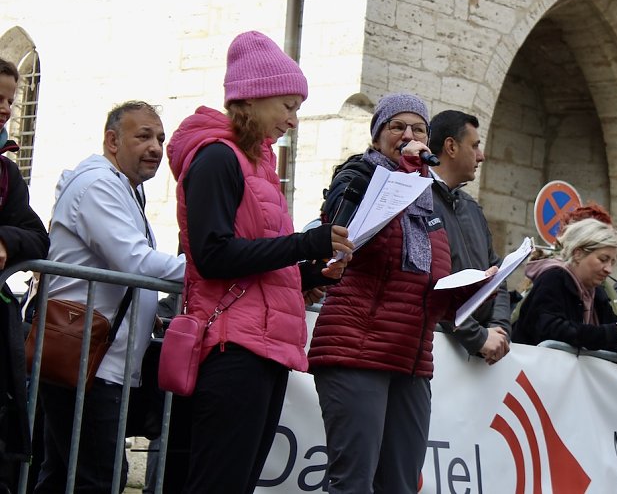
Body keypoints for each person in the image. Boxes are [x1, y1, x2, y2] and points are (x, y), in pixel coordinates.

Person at [166, 30, 352, 493]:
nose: (293, 119)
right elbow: (212, 255)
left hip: (261, 346)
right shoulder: (216, 158)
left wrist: (310, 273)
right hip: (233, 348)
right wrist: (304, 244)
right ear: (251, 98)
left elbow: (257, 261)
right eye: (288, 105)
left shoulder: (256, 165)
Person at [309, 93, 496, 494]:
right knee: (353, 483)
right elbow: (342, 234)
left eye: (418, 129)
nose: (409, 135)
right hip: (357, 350)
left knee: (400, 485)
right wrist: (401, 177)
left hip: (411, 359)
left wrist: (469, 291)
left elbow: (426, 283)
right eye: (397, 127)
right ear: (378, 135)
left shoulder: (427, 199)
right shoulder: (358, 175)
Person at [36, 101, 186, 493]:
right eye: (143, 136)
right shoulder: (99, 185)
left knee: (64, 475)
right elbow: (135, 260)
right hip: (86, 357)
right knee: (99, 478)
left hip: (93, 357)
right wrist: (206, 269)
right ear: (112, 140)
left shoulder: (122, 187)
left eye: (160, 139)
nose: (155, 147)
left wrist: (147, 311)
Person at [0, 57, 50, 492]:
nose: (5, 108)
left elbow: (37, 238)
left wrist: (4, 239)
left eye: (11, 101)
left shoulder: (6, 173)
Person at [428, 109, 510, 365]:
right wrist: (477, 336)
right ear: (451, 147)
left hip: (478, 351)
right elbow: (430, 284)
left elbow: (497, 274)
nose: (481, 155)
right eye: (474, 146)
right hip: (436, 354)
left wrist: (498, 329)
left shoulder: (471, 207)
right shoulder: (420, 202)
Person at [511, 218, 617, 351]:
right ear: (578, 254)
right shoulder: (553, 278)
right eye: (603, 259)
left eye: (612, 262)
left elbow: (609, 336)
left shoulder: (596, 291)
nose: (609, 269)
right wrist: (614, 334)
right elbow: (550, 329)